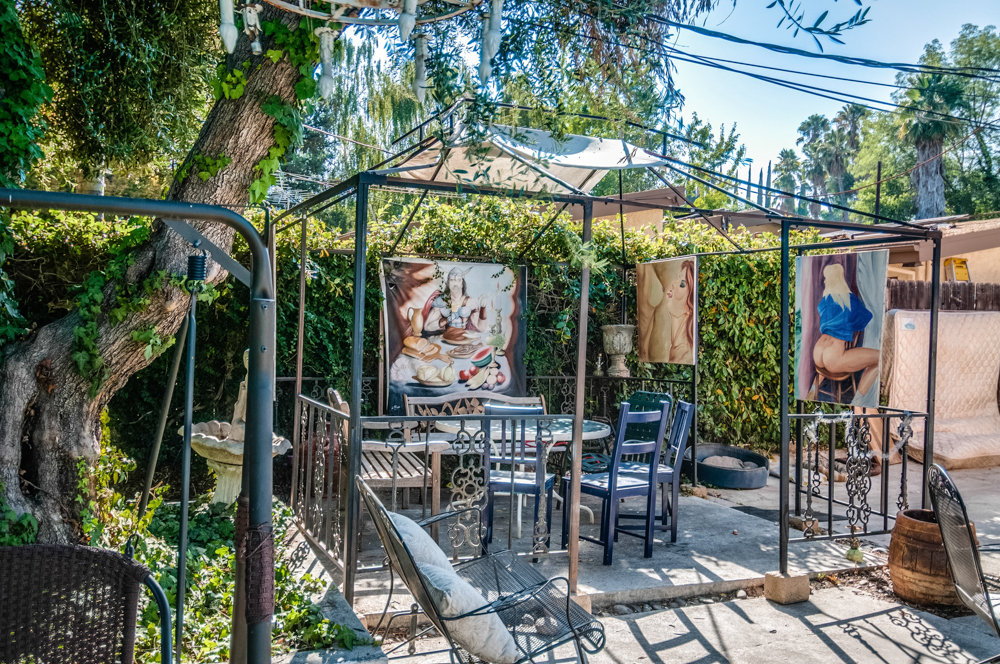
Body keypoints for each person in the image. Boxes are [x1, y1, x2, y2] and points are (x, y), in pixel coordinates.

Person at [807, 262, 880, 402]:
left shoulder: (824, 301)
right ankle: (859, 401)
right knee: (880, 358)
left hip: (818, 352)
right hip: (833, 356)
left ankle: (813, 390)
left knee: (827, 362)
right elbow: (867, 318)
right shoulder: (850, 300)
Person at [639, 259, 695, 364]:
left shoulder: (684, 351)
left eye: (682, 284)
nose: (673, 284)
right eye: (677, 278)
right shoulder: (675, 343)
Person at [422, 266, 488, 334]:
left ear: (462, 284)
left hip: (464, 338)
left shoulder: (470, 302)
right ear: (448, 283)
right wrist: (445, 320)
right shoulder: (441, 302)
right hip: (446, 337)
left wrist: (483, 308)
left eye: (458, 280)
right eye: (452, 280)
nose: (455, 283)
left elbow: (482, 328)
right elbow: (427, 327)